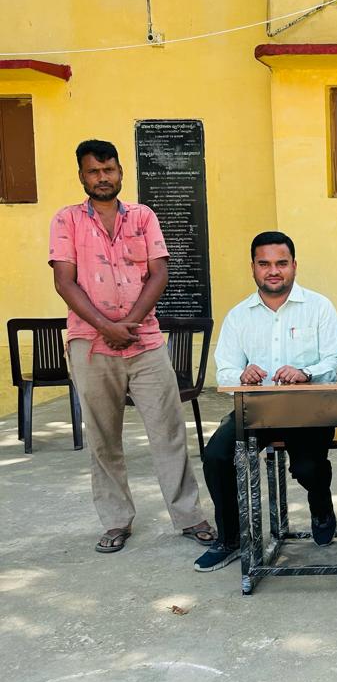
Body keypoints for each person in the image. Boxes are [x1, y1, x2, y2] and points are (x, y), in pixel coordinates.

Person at [49, 139, 214, 554]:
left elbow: (159, 273)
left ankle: (189, 516)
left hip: (145, 343)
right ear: (82, 176)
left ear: (121, 172)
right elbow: (64, 281)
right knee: (104, 438)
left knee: (169, 431)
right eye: (93, 171)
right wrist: (106, 326)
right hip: (91, 345)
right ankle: (116, 521)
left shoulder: (143, 217)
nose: (102, 178)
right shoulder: (66, 220)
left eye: (109, 170)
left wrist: (130, 324)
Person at [195, 231, 337, 573]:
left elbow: (333, 361)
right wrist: (242, 375)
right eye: (264, 264)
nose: (273, 271)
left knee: (308, 468)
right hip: (257, 410)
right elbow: (226, 368)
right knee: (217, 456)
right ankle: (230, 538)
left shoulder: (319, 307)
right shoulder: (239, 316)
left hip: (309, 409)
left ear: (294, 265)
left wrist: (305, 372)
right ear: (253, 268)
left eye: (281, 263)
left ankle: (320, 503)